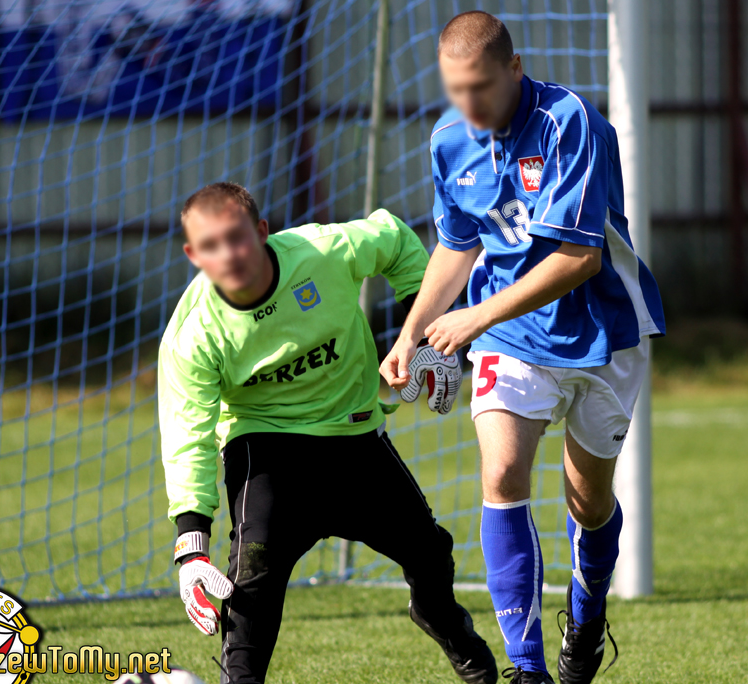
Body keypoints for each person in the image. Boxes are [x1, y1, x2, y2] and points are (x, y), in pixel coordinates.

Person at [380, 12, 666, 684]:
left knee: (586, 503)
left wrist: (472, 317)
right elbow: (457, 245)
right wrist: (412, 329)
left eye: (479, 86)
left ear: (514, 69)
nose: (467, 103)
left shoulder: (571, 123)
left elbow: (578, 260)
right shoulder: (449, 140)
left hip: (604, 334)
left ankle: (588, 615)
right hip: (513, 340)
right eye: (454, 89)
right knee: (503, 479)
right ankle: (527, 670)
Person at [159, 182, 498, 684]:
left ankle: (442, 620)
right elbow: (188, 437)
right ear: (193, 254)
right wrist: (190, 546)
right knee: (251, 582)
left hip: (354, 438)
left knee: (429, 553)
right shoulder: (194, 334)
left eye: (236, 238)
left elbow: (397, 239)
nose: (227, 255)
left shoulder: (323, 250)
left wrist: (425, 335)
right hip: (266, 449)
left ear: (262, 232)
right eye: (210, 246)